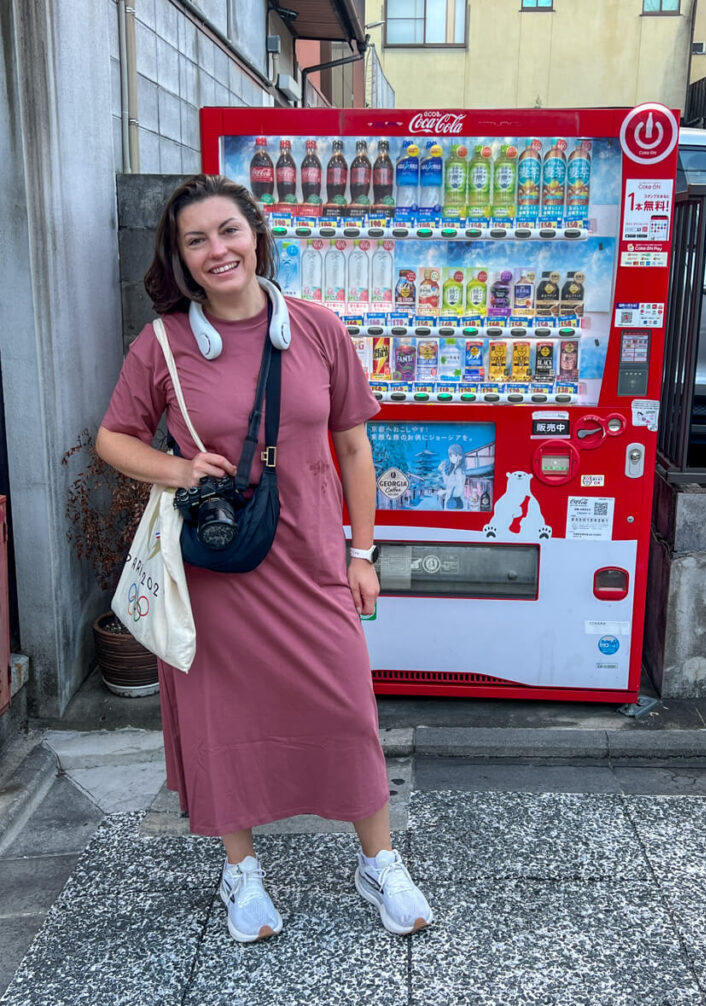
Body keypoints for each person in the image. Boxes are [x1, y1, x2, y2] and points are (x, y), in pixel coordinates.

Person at [96, 174, 432, 942]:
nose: (218, 250)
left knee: (349, 709)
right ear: (180, 259)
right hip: (216, 570)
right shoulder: (165, 343)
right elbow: (114, 437)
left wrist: (364, 551)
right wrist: (180, 469)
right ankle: (240, 872)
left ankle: (380, 862)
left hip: (313, 559)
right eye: (196, 240)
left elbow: (354, 445)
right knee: (224, 720)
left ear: (256, 235)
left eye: (228, 231)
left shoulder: (317, 329)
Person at [438, 443, 467, 509]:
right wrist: (442, 470)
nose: (450, 458)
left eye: (452, 455)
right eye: (449, 456)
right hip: (452, 502)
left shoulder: (459, 471)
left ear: (460, 456)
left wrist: (444, 491)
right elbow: (446, 483)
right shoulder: (454, 469)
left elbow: (459, 490)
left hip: (456, 502)